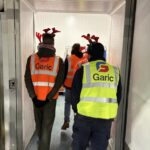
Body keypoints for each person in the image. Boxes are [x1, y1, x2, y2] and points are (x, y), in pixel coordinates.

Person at [71, 36, 122, 150]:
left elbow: (74, 95)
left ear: (89, 55)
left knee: (78, 146)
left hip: (84, 117)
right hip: (105, 118)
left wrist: (77, 110)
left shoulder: (83, 70)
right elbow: (118, 95)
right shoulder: (115, 71)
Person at [24, 28, 64, 150]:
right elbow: (59, 81)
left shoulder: (31, 59)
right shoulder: (58, 60)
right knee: (47, 127)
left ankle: (41, 144)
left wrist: (33, 96)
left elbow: (27, 78)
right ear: (52, 44)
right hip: (50, 101)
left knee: (39, 125)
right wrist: (50, 96)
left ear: (41, 42)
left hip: (36, 99)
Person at [61, 43, 86, 130]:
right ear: (80, 49)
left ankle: (66, 121)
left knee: (67, 103)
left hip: (69, 85)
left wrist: (62, 83)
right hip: (80, 87)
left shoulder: (69, 58)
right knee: (78, 105)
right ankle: (77, 124)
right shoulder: (85, 58)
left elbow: (64, 72)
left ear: (73, 49)